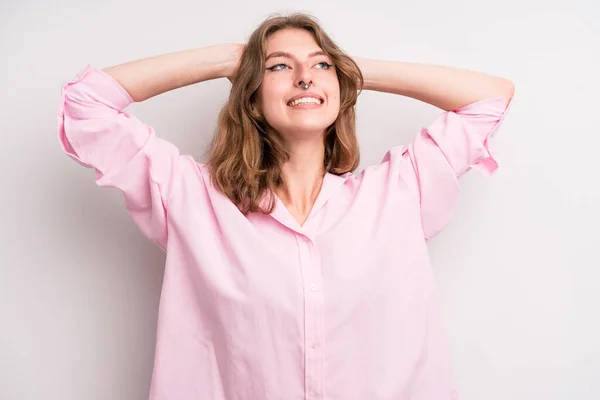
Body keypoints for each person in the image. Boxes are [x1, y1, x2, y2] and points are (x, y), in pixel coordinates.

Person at [57, 12, 514, 400]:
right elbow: (87, 104)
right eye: (278, 67)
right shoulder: (192, 199)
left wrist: (348, 66)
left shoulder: (397, 193)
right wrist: (228, 58)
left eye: (320, 66)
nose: (304, 76)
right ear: (251, 98)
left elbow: (489, 96)